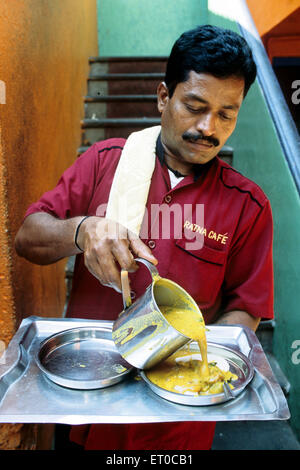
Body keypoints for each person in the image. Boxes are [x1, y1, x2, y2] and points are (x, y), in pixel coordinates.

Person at [15, 25, 274, 450]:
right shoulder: (104, 162)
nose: (208, 128)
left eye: (227, 114)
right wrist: (81, 231)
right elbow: (28, 238)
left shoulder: (249, 206)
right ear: (162, 97)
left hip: (177, 424)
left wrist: (195, 372)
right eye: (194, 106)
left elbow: (247, 310)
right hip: (87, 405)